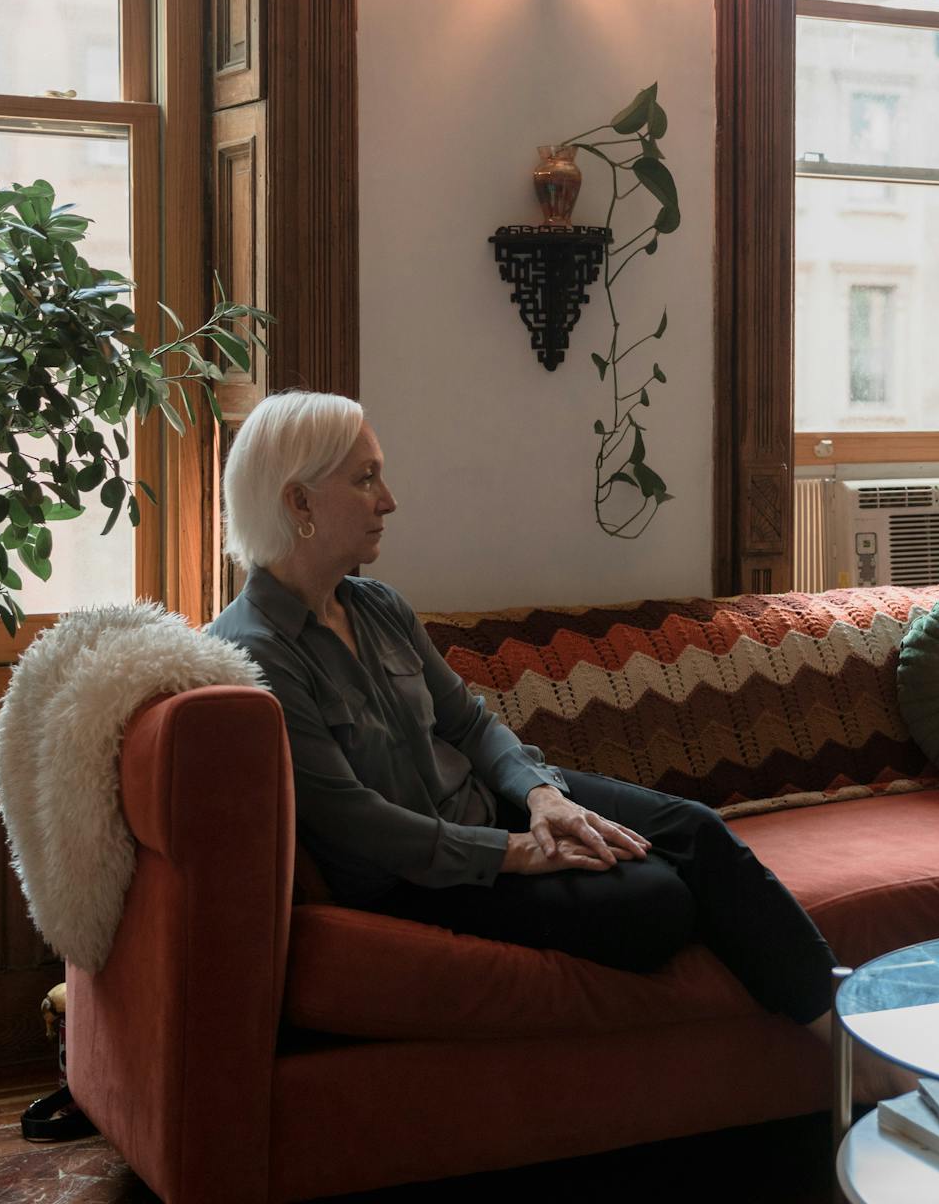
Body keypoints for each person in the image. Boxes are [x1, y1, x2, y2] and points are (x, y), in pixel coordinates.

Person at [207, 390, 838, 1037]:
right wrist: (512, 853)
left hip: (489, 804)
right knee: (657, 901)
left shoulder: (378, 607)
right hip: (424, 875)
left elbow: (470, 724)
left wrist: (541, 798)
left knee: (696, 832)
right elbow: (354, 822)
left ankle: (846, 1043)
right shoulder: (253, 650)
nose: (389, 499)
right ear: (299, 502)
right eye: (366, 478)